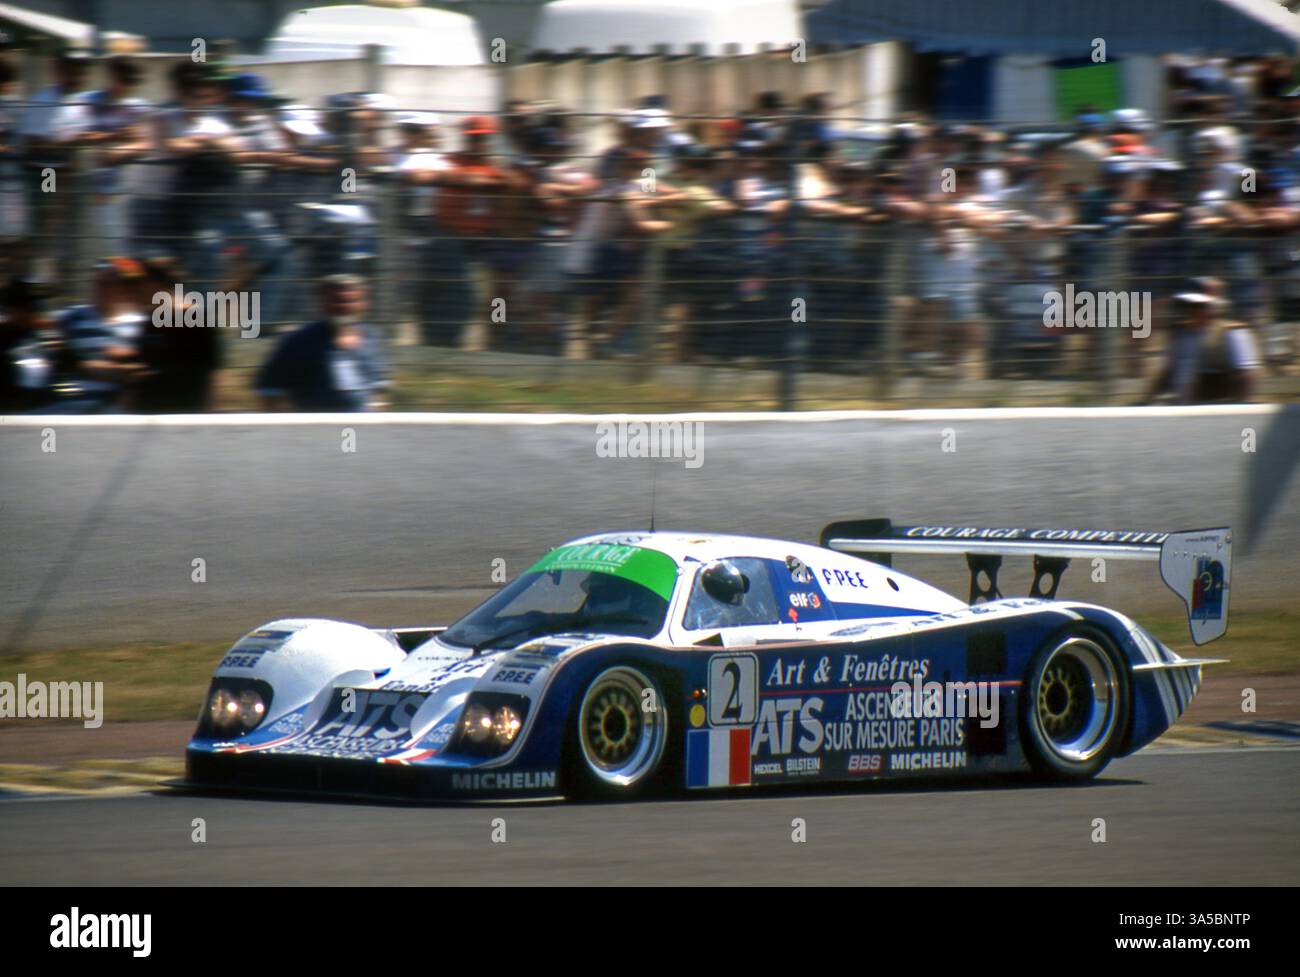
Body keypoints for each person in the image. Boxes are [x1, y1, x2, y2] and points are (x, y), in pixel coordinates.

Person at [255, 274, 390, 411]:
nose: (343, 307)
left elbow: (379, 391)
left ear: (364, 303)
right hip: (316, 423)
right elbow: (270, 391)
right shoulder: (298, 342)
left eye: (351, 301)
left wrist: (377, 417)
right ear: (322, 303)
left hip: (362, 423)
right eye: (337, 300)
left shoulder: (371, 338)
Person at [1143, 288, 1261, 404]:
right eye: (1186, 306)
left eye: (1197, 307)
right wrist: (1145, 401)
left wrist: (1238, 405)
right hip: (1183, 407)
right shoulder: (1181, 335)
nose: (1190, 311)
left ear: (1212, 308)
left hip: (1216, 407)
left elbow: (1246, 375)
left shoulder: (1232, 333)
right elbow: (1168, 373)